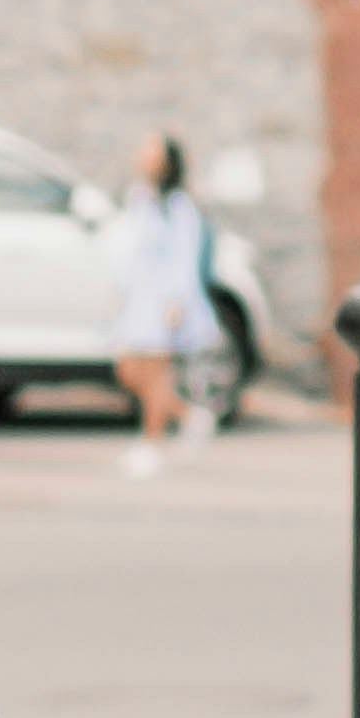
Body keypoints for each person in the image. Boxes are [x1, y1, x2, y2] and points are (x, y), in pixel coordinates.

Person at [112, 128, 215, 474]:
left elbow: (184, 257)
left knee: (157, 376)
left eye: (152, 149)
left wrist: (176, 302)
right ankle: (189, 415)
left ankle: (151, 444)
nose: (143, 154)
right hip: (138, 299)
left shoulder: (179, 207)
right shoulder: (139, 199)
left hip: (163, 302)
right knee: (129, 370)